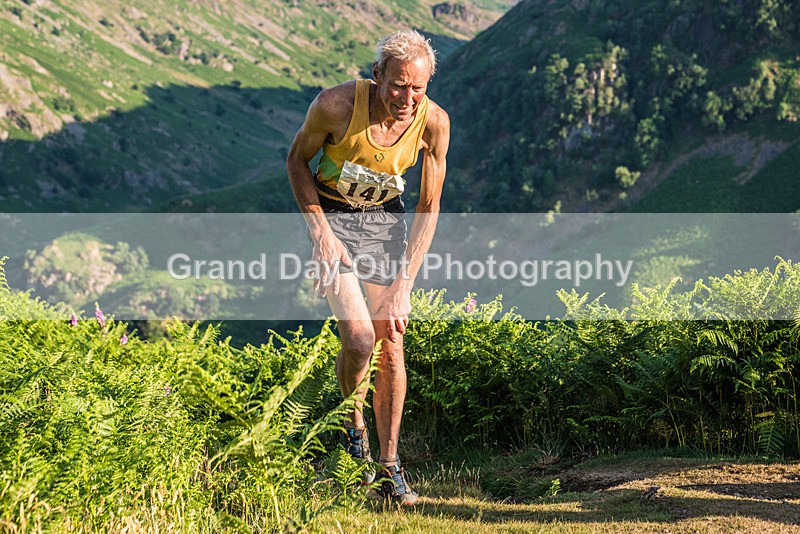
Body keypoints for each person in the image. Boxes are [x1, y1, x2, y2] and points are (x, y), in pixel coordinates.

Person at [286, 29, 449, 505]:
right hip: (333, 217)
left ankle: (389, 468)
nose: (406, 97)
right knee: (359, 338)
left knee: (392, 342)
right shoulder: (335, 106)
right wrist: (320, 234)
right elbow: (297, 161)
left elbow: (430, 205)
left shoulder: (433, 123)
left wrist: (405, 283)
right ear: (377, 75)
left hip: (383, 227)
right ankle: (352, 430)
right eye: (398, 84)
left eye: (417, 87)